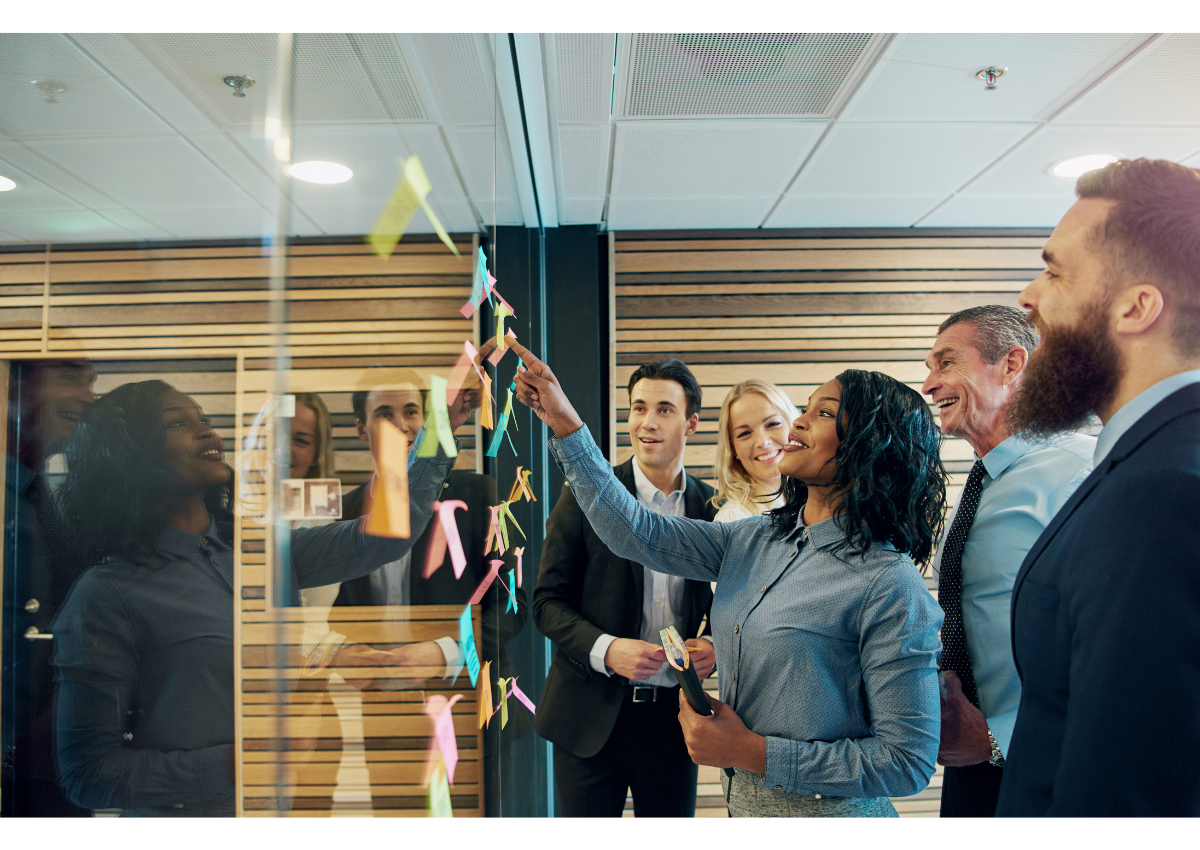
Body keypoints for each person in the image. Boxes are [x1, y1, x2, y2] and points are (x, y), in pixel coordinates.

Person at [508, 339, 946, 818]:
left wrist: (752, 753)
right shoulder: (754, 539)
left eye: (822, 413)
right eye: (805, 409)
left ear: (869, 444)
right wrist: (567, 425)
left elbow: (907, 762)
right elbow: (634, 531)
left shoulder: (888, 582)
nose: (797, 421)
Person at [50, 379, 474, 816]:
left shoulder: (262, 552)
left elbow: (385, 537)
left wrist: (442, 425)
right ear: (129, 452)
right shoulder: (107, 594)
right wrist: (240, 762)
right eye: (179, 423)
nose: (208, 432)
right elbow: (89, 774)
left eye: (205, 420)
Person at [996, 158, 1200, 817]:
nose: (1028, 295)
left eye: (1054, 271)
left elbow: (1126, 788)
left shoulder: (1162, 495)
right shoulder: (1155, 462)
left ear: (1136, 307)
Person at [920, 305, 1094, 818]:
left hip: (1046, 769)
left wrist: (1000, 740)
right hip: (971, 764)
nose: (929, 384)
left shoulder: (1080, 473)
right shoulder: (978, 486)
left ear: (1012, 364)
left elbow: (1109, 638)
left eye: (945, 362)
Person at [329, 372, 528, 818]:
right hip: (386, 717)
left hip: (473, 713)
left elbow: (512, 607)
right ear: (362, 429)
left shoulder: (479, 495)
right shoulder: (342, 513)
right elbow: (331, 612)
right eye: (384, 414)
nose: (401, 424)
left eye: (412, 411)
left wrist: (445, 653)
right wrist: (341, 651)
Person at [534, 359, 717, 818]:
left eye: (664, 409)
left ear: (691, 422)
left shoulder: (714, 508)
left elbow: (736, 605)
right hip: (588, 718)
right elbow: (545, 603)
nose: (647, 422)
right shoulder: (587, 493)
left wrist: (716, 645)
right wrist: (607, 649)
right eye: (638, 408)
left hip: (676, 721)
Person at [1, 359, 96, 818]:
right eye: (69, 377)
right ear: (11, 387)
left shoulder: (37, 495)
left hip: (44, 767)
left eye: (90, 381)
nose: (89, 397)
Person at [712, 379, 799, 522]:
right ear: (733, 450)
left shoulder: (826, 500)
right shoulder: (733, 519)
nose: (763, 442)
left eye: (773, 424)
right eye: (744, 433)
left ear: (793, 423)